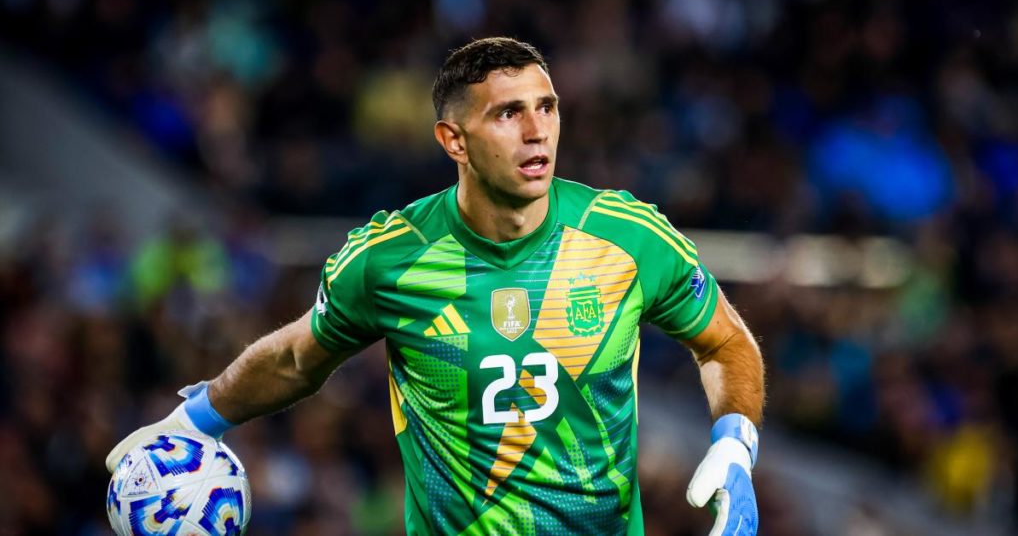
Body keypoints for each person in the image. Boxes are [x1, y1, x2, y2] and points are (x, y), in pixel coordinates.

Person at [107, 37, 765, 535]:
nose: (537, 130)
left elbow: (725, 343)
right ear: (454, 139)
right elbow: (297, 359)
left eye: (547, 107)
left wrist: (736, 444)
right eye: (508, 114)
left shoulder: (628, 238)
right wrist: (196, 419)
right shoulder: (389, 260)